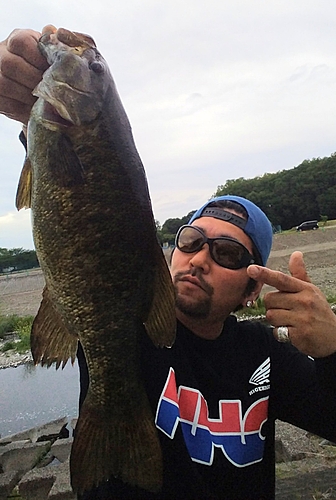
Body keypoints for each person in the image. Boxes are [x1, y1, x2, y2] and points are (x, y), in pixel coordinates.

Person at [1, 27, 336, 500]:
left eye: (228, 254)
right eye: (192, 240)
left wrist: (332, 351)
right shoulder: (130, 330)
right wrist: (32, 121)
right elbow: (84, 179)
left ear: (250, 290)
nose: (200, 258)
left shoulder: (264, 357)